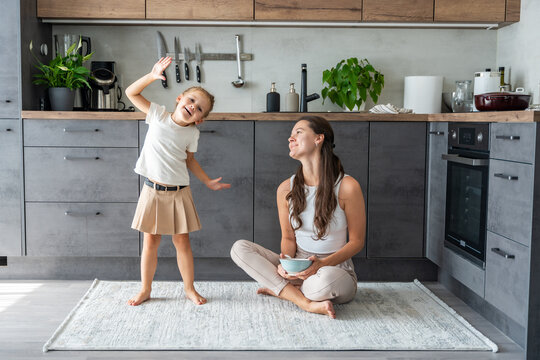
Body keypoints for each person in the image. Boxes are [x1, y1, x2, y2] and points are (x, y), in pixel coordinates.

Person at [231, 116, 366, 318]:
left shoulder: (347, 186)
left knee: (320, 284)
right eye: (291, 134)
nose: (290, 138)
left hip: (334, 270)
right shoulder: (286, 188)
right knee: (239, 249)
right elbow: (288, 238)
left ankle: (284, 290)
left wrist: (320, 265)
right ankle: (304, 301)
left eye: (298, 132)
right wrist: (285, 265)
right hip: (298, 264)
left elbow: (357, 242)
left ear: (319, 138)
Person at [126, 56, 230, 306]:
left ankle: (189, 289)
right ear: (179, 99)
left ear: (199, 119)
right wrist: (152, 75)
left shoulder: (192, 133)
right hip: (152, 190)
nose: (194, 106)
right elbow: (131, 92)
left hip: (179, 193)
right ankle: (145, 288)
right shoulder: (158, 115)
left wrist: (207, 182)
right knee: (150, 241)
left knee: (182, 241)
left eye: (200, 108)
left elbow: (190, 160)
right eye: (191, 100)